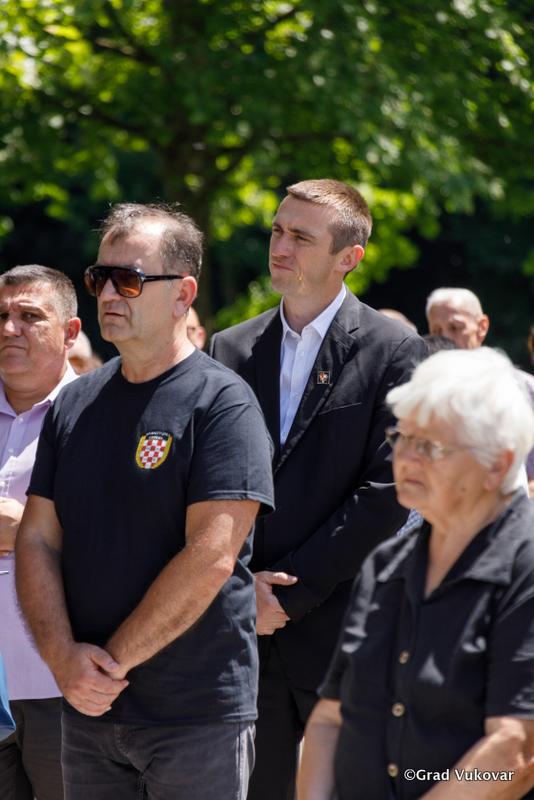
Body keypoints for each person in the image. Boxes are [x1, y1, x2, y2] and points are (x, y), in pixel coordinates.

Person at [15, 203, 274, 800]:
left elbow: (210, 557)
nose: (109, 293)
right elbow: (37, 538)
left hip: (195, 716)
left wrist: (107, 665)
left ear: (183, 294)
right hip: (89, 711)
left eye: (129, 279)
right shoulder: (74, 402)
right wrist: (63, 660)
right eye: (99, 277)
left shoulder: (224, 403)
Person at [209, 179, 427, 799]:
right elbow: (210, 482)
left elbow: (388, 490)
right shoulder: (229, 347)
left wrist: (292, 592)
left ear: (348, 257)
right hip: (243, 631)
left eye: (301, 237)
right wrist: (241, 588)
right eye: (278, 230)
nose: (280, 247)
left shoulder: (395, 351)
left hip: (343, 629)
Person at [298, 347, 534, 800]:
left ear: (499, 465)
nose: (405, 459)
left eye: (430, 446)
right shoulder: (386, 564)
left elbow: (515, 750)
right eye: (402, 437)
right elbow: (330, 718)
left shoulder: (524, 566)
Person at [0, 265, 80, 800]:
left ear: (71, 332)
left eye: (30, 316)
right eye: (1, 315)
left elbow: (132, 534)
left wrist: (28, 528)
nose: (10, 328)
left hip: (64, 685)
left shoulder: (105, 414)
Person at [426, 287, 534, 499]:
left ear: (482, 327)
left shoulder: (525, 389)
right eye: (436, 330)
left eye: (455, 327)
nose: (446, 337)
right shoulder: (423, 396)